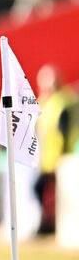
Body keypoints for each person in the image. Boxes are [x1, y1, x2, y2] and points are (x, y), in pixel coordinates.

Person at [35, 64, 78, 234]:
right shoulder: (44, 102)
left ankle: (52, 226)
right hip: (46, 158)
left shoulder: (63, 101)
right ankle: (48, 224)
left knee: (59, 195)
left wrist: (63, 155)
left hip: (59, 157)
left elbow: (66, 132)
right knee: (44, 191)